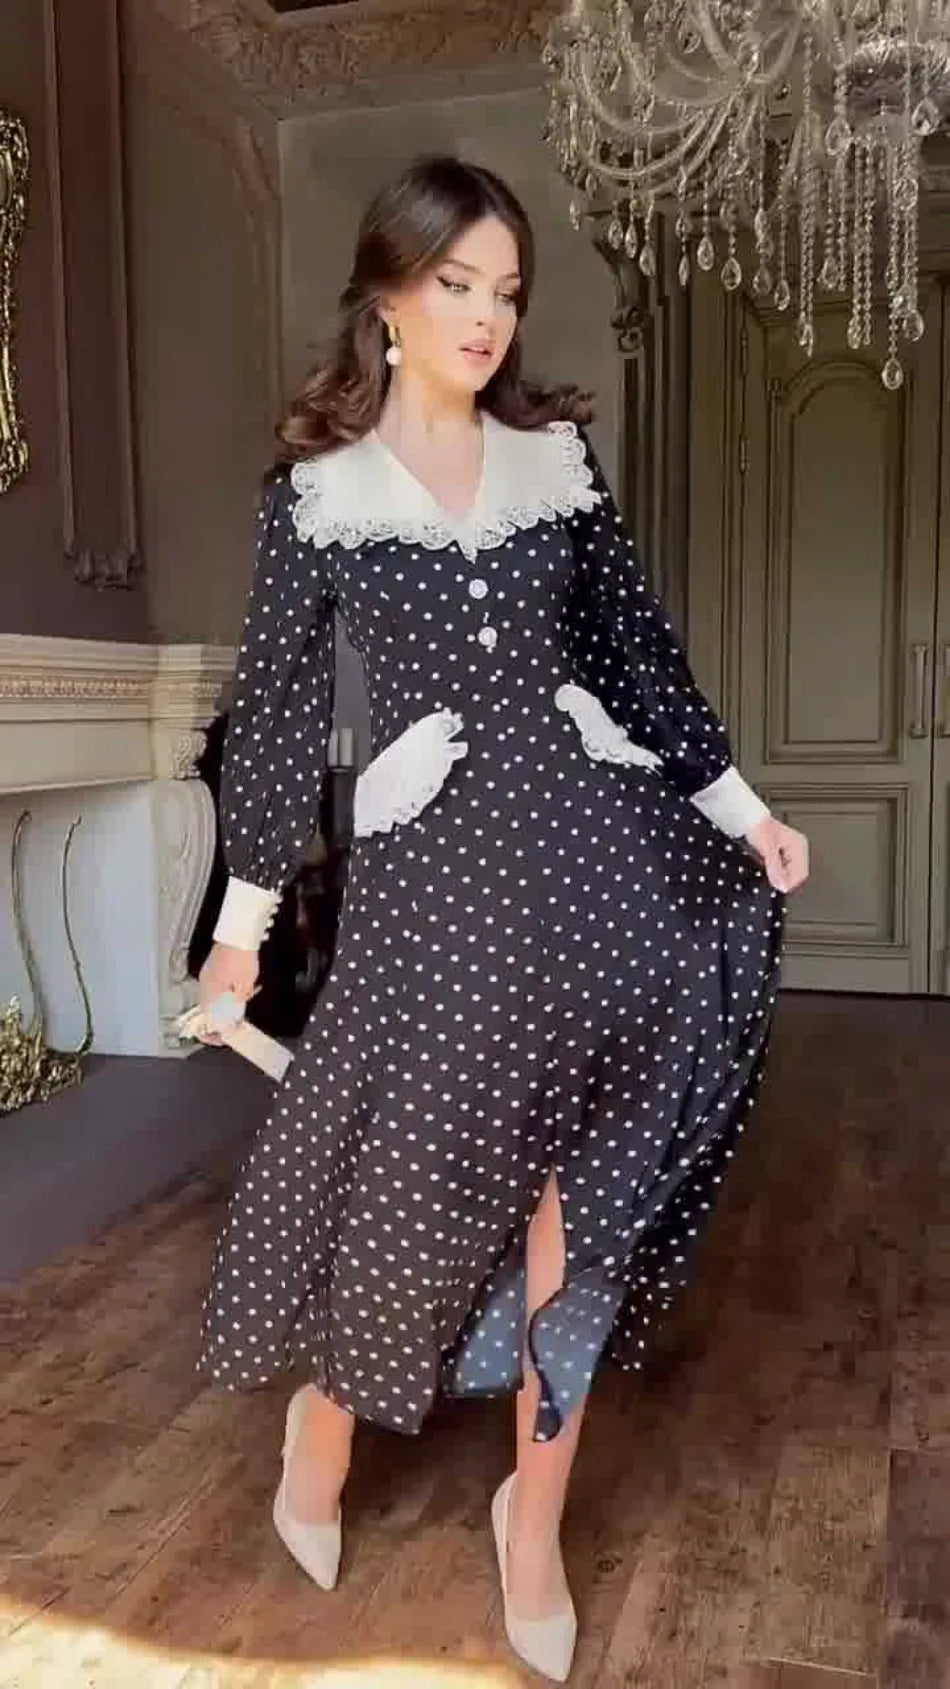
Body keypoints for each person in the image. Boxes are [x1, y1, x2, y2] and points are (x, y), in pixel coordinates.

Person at [196, 155, 808, 1682]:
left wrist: (738, 809)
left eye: (506, 290)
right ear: (388, 295)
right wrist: (246, 922)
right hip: (431, 883)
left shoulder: (553, 463)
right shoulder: (318, 497)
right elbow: (271, 718)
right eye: (455, 283)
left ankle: (529, 1517)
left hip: (585, 855)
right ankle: (318, 1430)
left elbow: (635, 652)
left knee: (574, 1209)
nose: (485, 316)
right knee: (407, 1193)